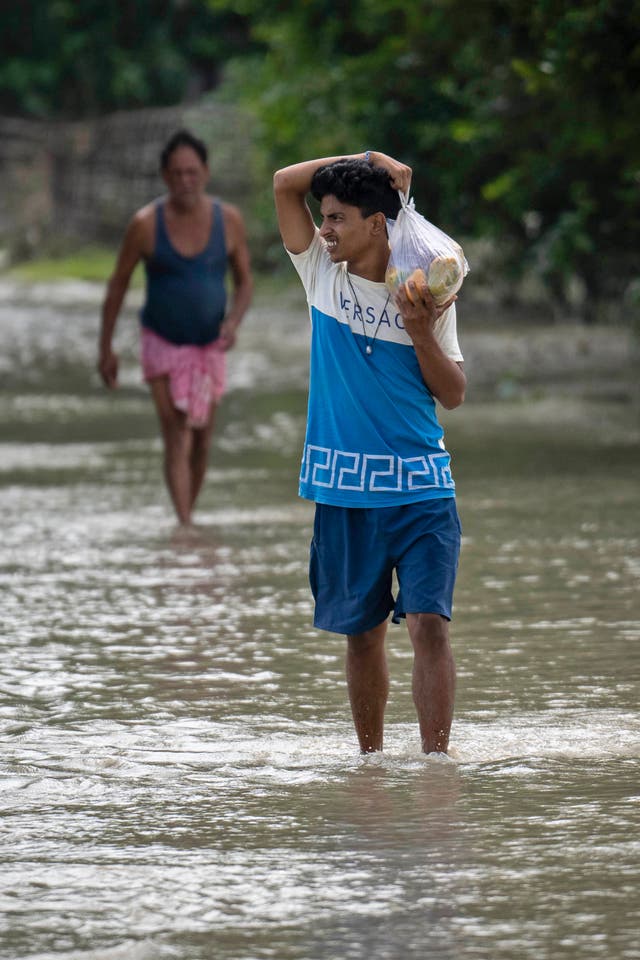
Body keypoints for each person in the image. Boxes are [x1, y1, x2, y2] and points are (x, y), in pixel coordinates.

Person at [273, 151, 466, 755]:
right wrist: (367, 159)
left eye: (337, 218)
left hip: (422, 486)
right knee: (362, 636)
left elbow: (454, 394)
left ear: (377, 224)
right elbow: (284, 184)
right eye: (322, 217)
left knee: (430, 625)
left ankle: (437, 768)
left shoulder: (427, 289)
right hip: (346, 491)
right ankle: (371, 767)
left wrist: (416, 328)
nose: (324, 229)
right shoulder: (319, 274)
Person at [98, 129, 253, 526]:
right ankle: (185, 526)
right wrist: (106, 348)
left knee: (202, 437)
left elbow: (245, 283)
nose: (185, 181)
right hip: (160, 342)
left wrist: (233, 322)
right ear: (165, 177)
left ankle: (188, 515)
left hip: (209, 347)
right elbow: (118, 284)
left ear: (206, 172)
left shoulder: (229, 221)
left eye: (192, 172)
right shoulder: (145, 224)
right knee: (175, 430)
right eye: (177, 173)